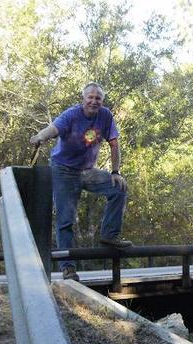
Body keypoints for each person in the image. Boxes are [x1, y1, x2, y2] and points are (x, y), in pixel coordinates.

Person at [30, 82, 132, 281]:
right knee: (65, 219)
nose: (94, 101)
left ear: (102, 101)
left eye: (98, 99)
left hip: (87, 171)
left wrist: (115, 171)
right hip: (63, 170)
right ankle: (68, 268)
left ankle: (109, 236)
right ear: (83, 99)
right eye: (90, 98)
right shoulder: (72, 115)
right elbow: (53, 128)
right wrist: (40, 136)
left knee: (118, 188)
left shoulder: (106, 116)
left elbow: (114, 143)